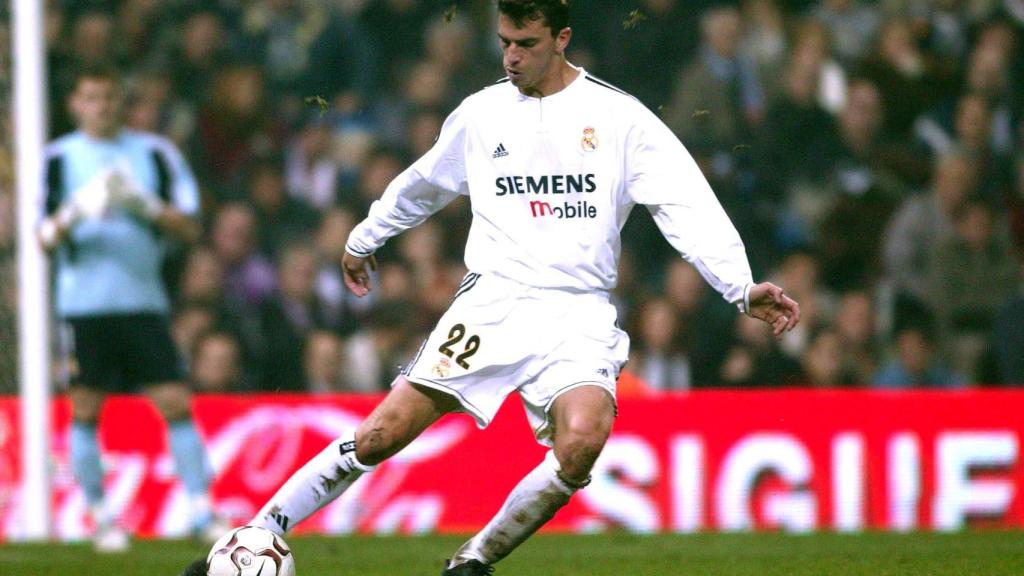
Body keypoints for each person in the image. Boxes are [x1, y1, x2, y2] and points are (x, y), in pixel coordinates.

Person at [183, 1, 800, 574]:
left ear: (561, 39)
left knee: (583, 440)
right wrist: (365, 236)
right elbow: (425, 182)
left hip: (577, 313)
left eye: (525, 44)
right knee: (380, 435)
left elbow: (685, 203)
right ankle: (254, 535)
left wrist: (739, 287)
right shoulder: (481, 113)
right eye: (504, 41)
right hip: (492, 303)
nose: (510, 57)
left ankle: (472, 561)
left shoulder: (618, 118)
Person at [38, 67, 226, 551]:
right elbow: (40, 237)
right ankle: (101, 518)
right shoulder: (56, 160)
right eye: (91, 98)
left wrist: (143, 204)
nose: (101, 106)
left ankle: (202, 511)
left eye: (109, 97)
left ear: (123, 101)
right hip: (83, 307)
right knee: (85, 407)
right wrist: (76, 210)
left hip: (144, 302)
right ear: (76, 105)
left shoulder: (155, 154)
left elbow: (189, 228)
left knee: (174, 402)